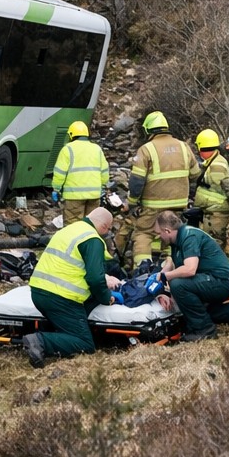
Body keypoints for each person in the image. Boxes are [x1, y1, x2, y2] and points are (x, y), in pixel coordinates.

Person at [23, 207, 118, 367]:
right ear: (104, 227)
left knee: (76, 318)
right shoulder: (92, 239)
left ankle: (55, 333)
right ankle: (41, 341)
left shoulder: (70, 230)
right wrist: (106, 297)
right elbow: (95, 279)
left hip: (38, 291)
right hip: (60, 298)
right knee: (85, 343)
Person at [126, 111, 201, 269]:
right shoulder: (184, 146)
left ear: (148, 130)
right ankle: (169, 272)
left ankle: (142, 271)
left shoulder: (146, 149)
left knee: (144, 234)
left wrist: (132, 203)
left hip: (152, 204)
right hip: (178, 205)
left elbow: (137, 182)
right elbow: (195, 175)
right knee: (171, 237)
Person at [155, 210, 229, 341]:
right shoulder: (177, 240)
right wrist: (162, 273)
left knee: (178, 285)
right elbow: (173, 261)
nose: (158, 237)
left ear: (167, 231)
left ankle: (204, 329)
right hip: (210, 279)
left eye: (159, 234)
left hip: (220, 281)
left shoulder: (189, 236)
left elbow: (190, 269)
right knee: (178, 283)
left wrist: (166, 277)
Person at [51, 121, 110, 225]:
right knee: (91, 225)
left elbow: (60, 172)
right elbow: (105, 171)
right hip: (94, 196)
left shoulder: (68, 149)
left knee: (73, 226)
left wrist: (56, 189)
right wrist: (103, 186)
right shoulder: (97, 149)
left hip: (74, 196)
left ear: (71, 135)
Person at [193, 129, 229, 249]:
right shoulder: (211, 162)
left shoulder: (217, 165)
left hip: (217, 213)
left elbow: (227, 187)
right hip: (212, 212)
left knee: (215, 246)